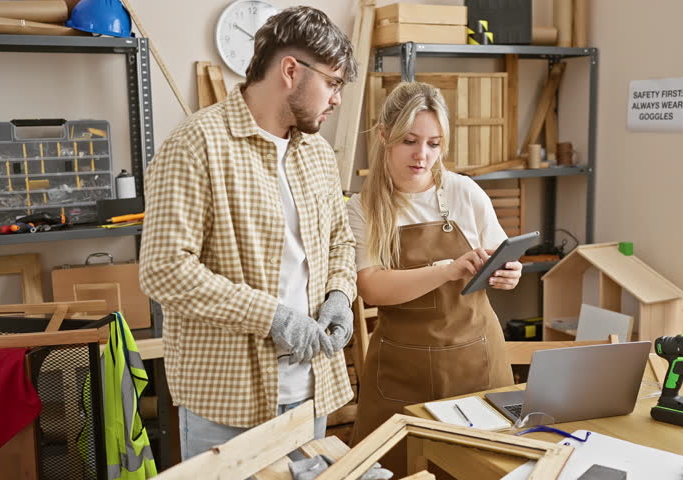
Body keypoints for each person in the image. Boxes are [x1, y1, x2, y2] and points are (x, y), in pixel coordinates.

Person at [139, 6, 358, 460]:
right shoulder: (196, 144)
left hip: (311, 388)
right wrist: (274, 318)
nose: (337, 98)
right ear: (291, 70)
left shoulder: (316, 152)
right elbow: (164, 270)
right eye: (333, 83)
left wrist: (339, 293)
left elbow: (340, 241)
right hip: (227, 402)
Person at [348, 82, 523, 473]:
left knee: (485, 469)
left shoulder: (464, 192)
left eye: (434, 143)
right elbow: (371, 285)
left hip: (476, 359)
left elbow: (499, 256)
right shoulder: (364, 208)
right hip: (400, 372)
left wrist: (510, 273)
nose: (422, 156)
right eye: (410, 141)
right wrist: (447, 270)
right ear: (384, 136)